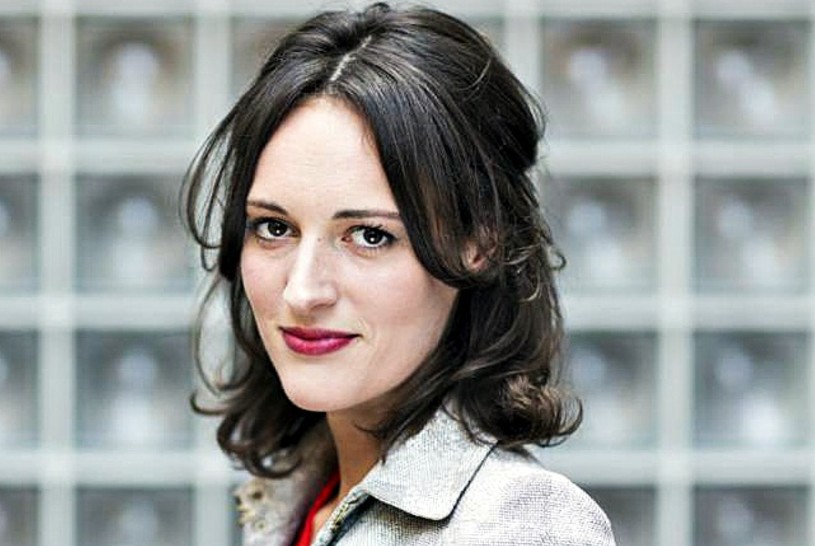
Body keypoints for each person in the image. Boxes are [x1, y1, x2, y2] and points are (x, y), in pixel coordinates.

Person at [182, 3, 616, 545]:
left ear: (478, 243)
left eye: (369, 235)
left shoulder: (518, 524)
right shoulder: (299, 496)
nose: (302, 290)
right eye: (274, 227)